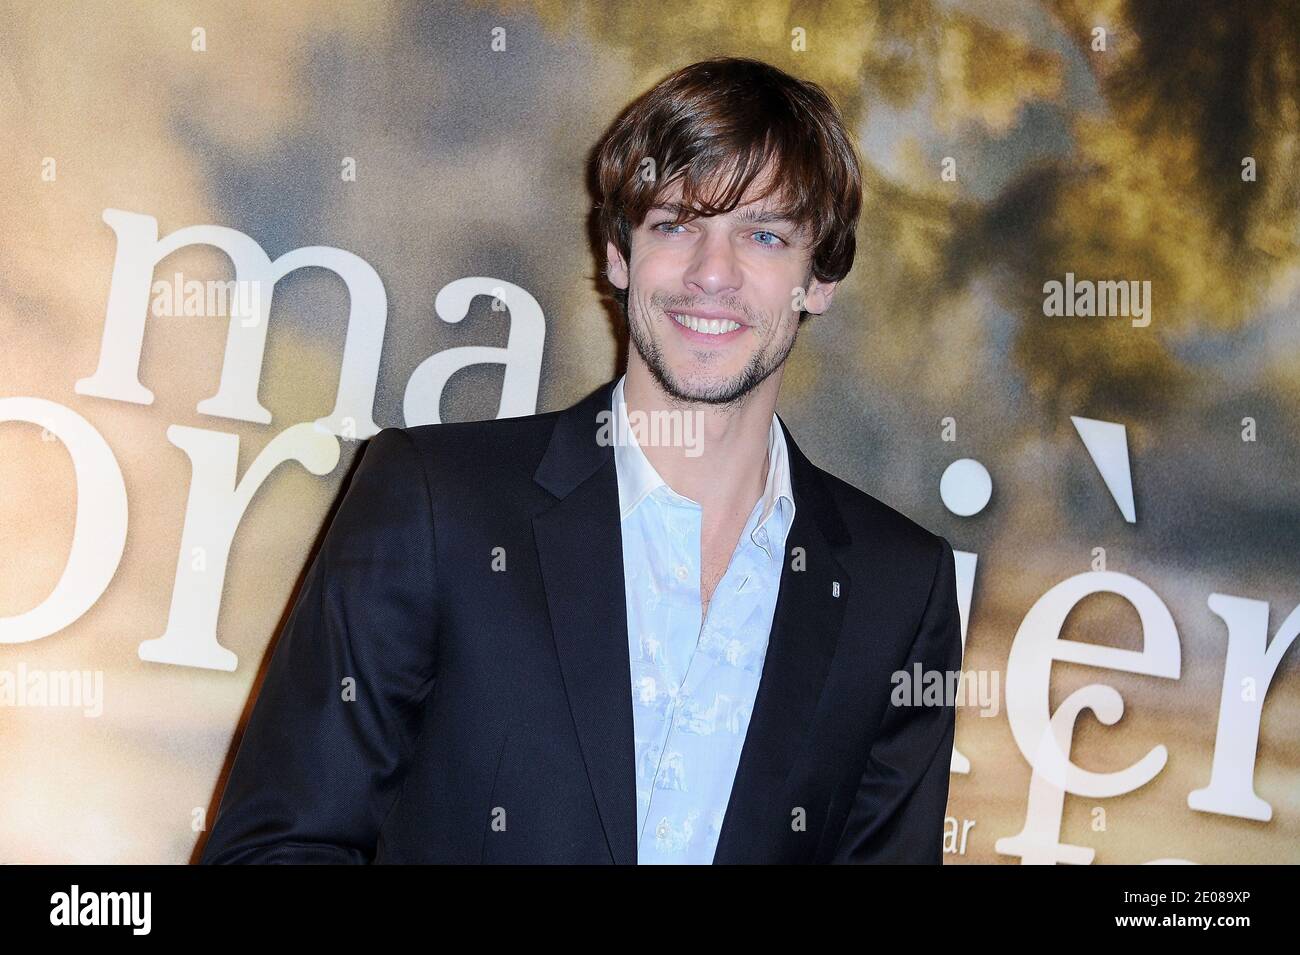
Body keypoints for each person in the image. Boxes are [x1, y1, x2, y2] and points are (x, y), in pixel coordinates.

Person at [199, 56, 963, 865]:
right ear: (619, 255)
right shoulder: (433, 502)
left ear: (820, 277)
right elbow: (275, 850)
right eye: (676, 224)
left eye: (764, 235)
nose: (713, 273)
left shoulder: (897, 590)